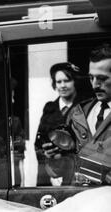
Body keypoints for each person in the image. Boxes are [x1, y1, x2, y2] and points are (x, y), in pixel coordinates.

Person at [43, 44, 111, 185]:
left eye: (102, 78)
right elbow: (63, 169)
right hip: (76, 197)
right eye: (91, 78)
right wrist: (55, 158)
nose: (95, 85)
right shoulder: (79, 112)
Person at [35, 62, 82, 186]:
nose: (62, 86)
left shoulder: (85, 107)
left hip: (75, 173)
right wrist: (45, 152)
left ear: (75, 81)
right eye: (58, 82)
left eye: (67, 81)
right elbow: (38, 142)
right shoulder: (49, 108)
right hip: (51, 171)